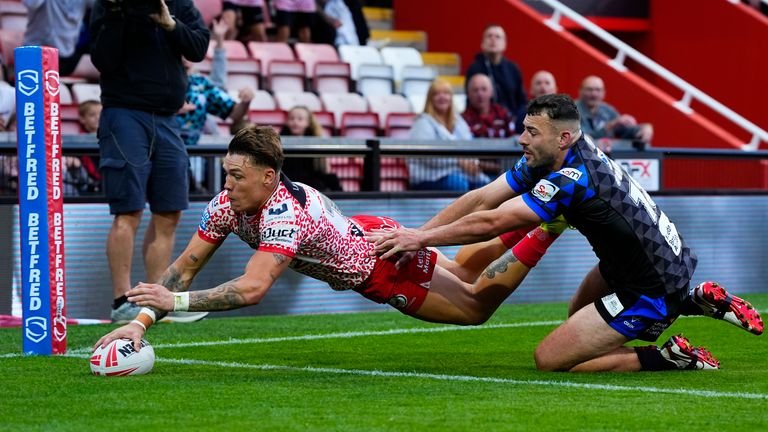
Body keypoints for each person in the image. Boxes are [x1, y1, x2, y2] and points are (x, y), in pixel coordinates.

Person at [368, 94, 764, 372]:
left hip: (651, 288)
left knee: (552, 358)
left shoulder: (571, 178)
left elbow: (493, 222)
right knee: (578, 319)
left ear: (563, 137)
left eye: (532, 132)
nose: (522, 139)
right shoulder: (564, 152)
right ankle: (695, 301)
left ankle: (672, 357)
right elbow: (482, 198)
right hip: (636, 265)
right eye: (524, 128)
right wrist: (413, 232)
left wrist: (418, 240)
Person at [93, 125, 570, 352]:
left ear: (268, 177)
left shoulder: (283, 215)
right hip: (364, 233)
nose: (227, 185)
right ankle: (537, 210)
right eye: (226, 174)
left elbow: (254, 288)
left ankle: (546, 222)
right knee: (467, 271)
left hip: (378, 266)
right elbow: (183, 269)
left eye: (237, 176)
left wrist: (174, 304)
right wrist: (140, 323)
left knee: (476, 308)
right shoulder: (227, 204)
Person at [90, 0, 210, 324]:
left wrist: (169, 23)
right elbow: (103, 60)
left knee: (169, 212)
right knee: (128, 211)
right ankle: (120, 302)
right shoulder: (109, 5)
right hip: (125, 113)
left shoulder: (178, 4)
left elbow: (199, 46)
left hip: (169, 119)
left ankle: (155, 302)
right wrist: (119, 16)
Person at [408, 79, 491, 192]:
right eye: (437, 94)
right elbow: (427, 156)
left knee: (486, 185)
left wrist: (472, 163)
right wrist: (459, 162)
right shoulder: (422, 122)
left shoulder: (459, 121)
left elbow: (470, 145)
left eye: (446, 93)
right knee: (458, 184)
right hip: (429, 177)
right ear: (430, 99)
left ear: (451, 97)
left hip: (460, 173)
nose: (442, 97)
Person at [465, 24, 527, 132]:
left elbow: (521, 99)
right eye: (489, 36)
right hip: (483, 124)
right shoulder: (474, 68)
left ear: (505, 44)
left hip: (511, 122)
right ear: (482, 43)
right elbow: (470, 100)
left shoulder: (513, 69)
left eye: (497, 37)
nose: (493, 40)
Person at [576, 75, 653, 152]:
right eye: (589, 90)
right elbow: (583, 138)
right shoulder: (572, 110)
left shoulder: (607, 110)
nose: (594, 94)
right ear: (580, 91)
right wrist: (610, 126)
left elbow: (624, 131)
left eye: (598, 90)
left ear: (604, 93)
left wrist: (642, 129)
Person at [279, 105, 343, 192]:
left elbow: (323, 168)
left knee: (331, 179)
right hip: (288, 177)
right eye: (291, 118)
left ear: (308, 123)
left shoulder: (315, 139)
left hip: (309, 177)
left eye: (300, 119)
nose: (295, 122)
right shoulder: (280, 138)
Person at [22, 0, 93, 76]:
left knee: (104, 69)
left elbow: (101, 7)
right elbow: (32, 4)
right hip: (37, 55)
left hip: (68, 55)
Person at [462, 73, 515, 138]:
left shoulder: (503, 114)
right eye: (475, 90)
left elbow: (512, 141)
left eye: (484, 89)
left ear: (491, 92)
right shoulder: (462, 120)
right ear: (468, 94)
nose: (480, 94)